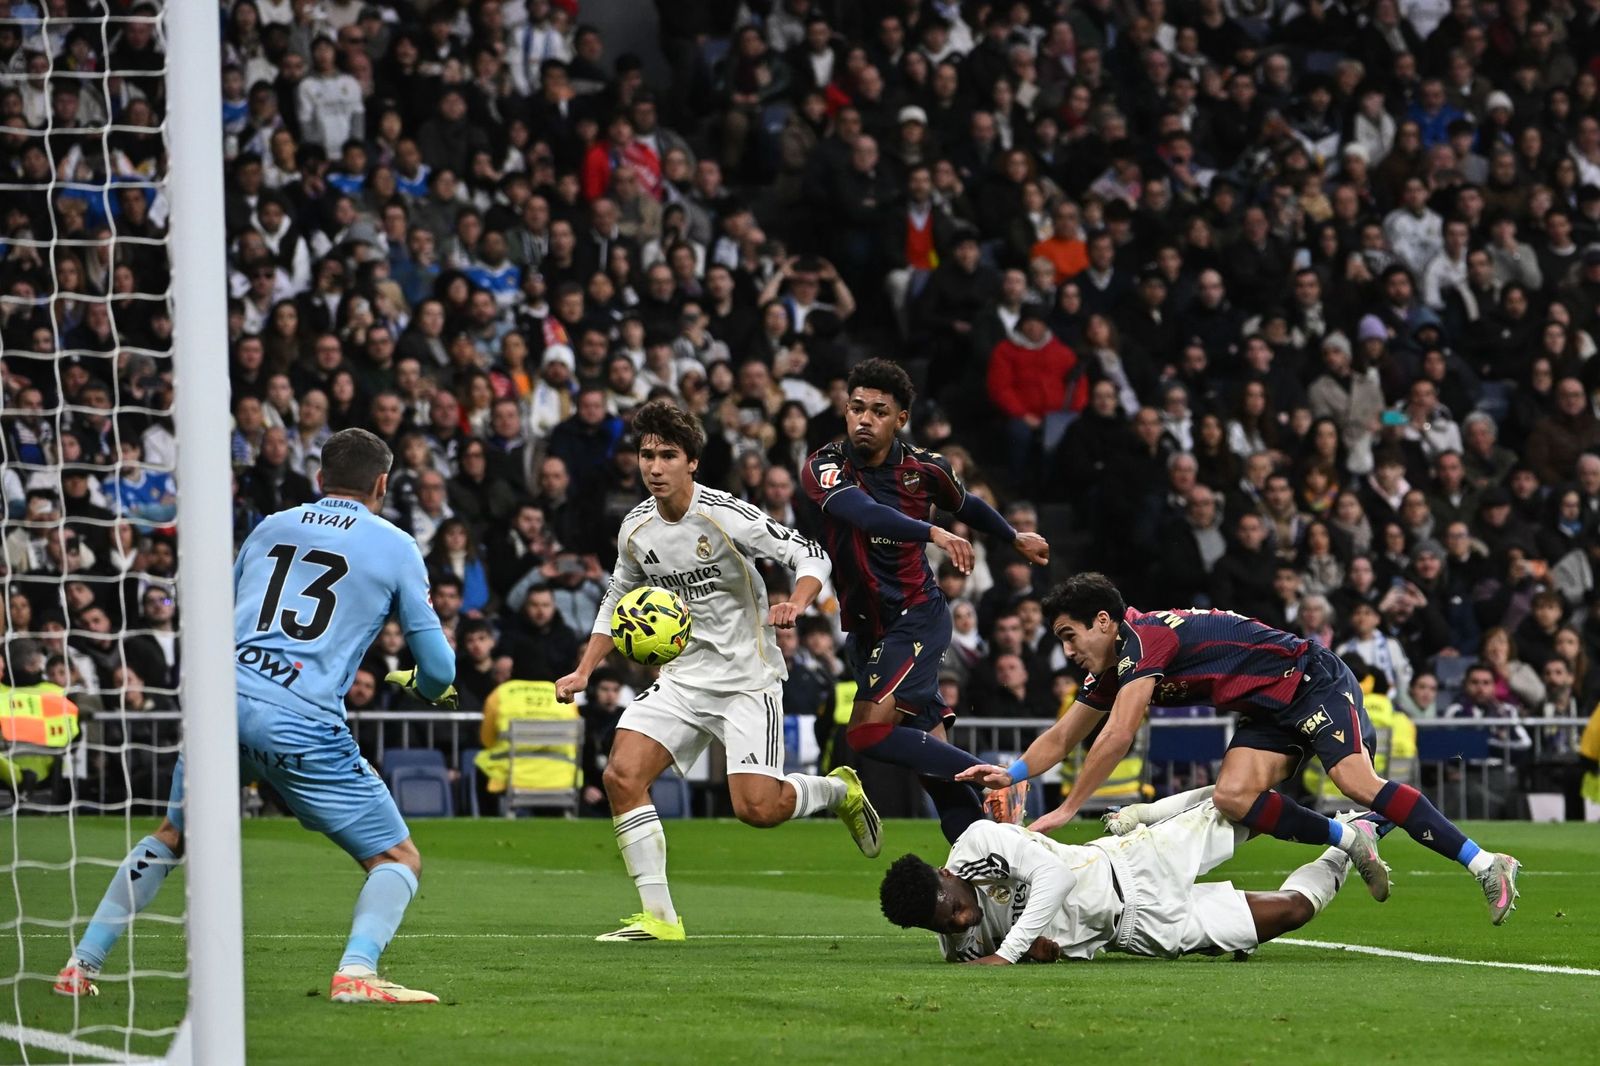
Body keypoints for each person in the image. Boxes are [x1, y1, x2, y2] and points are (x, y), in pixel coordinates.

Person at [56, 429, 457, 1003]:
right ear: (382, 485)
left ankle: (81, 964)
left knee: (173, 834)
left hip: (221, 702)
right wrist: (424, 686)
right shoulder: (395, 545)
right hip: (300, 717)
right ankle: (356, 974)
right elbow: (440, 669)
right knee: (396, 857)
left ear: (320, 480)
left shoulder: (270, 526)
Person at [960, 572, 1523, 925]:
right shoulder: (1113, 664)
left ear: (1103, 622)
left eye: (1069, 635)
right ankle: (1352, 837)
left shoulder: (1144, 638)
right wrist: (1009, 774)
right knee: (1233, 797)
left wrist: (1064, 809)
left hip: (1309, 679)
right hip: (1266, 708)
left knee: (1355, 782)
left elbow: (1117, 735)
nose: (1067, 650)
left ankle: (1485, 864)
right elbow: (1063, 736)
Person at [555, 400, 878, 944]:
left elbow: (812, 553)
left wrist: (796, 604)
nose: (654, 467)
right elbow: (616, 596)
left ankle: (833, 792)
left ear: (693, 462)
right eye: (646, 454)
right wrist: (585, 668)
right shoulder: (635, 528)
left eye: (668, 456)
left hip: (747, 680)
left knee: (757, 808)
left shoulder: (725, 515)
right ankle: (660, 918)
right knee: (621, 777)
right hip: (681, 679)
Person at [800, 359, 1050, 842]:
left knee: (867, 733)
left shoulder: (926, 468)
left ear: (901, 419)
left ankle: (997, 778)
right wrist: (933, 530)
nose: (864, 420)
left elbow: (967, 504)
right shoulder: (826, 465)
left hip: (914, 618)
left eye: (878, 410)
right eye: (856, 408)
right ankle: (983, 857)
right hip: (866, 629)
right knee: (936, 770)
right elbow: (867, 515)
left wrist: (1012, 536)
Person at [880, 788, 1382, 964]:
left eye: (954, 908)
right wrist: (1039, 954)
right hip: (1142, 931)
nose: (960, 921)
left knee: (1242, 803)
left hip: (1137, 865)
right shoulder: (960, 945)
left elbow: (1055, 877)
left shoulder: (978, 844)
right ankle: (1362, 830)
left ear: (946, 874)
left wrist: (1009, 950)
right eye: (943, 927)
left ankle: (1149, 814)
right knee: (1293, 911)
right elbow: (1014, 950)